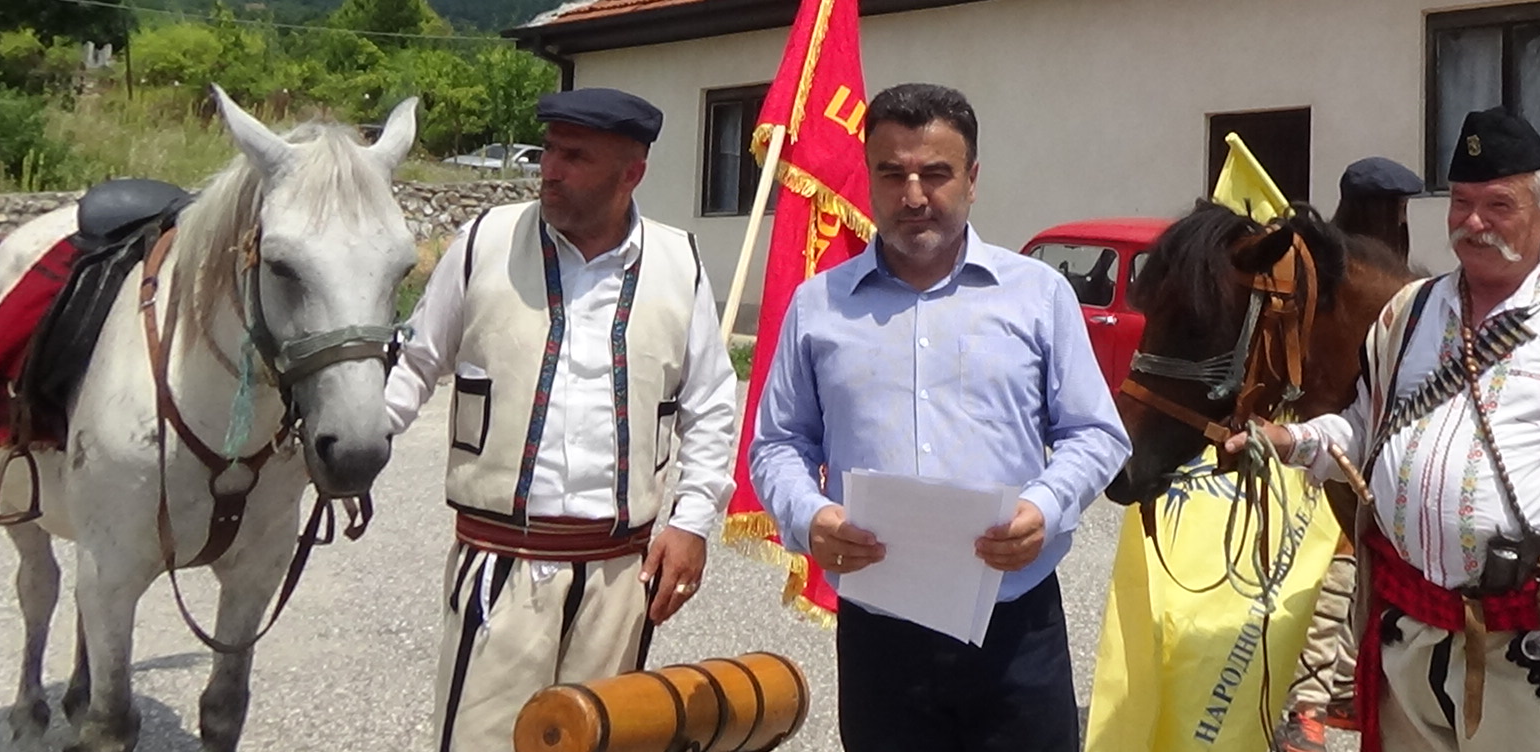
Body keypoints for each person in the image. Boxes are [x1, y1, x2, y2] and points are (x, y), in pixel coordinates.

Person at [1246, 107, 1540, 752]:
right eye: (1462, 203)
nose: (1473, 223)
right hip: (1410, 635)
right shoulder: (1406, 314)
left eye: (1499, 205)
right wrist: (1291, 441)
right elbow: (1366, 432)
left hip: (1539, 649)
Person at [748, 82, 1131, 752]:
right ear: (869, 179)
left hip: (1014, 628)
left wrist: (1045, 506)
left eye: (935, 173)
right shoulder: (819, 306)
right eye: (892, 174)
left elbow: (1095, 432)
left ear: (972, 179)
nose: (913, 195)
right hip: (881, 637)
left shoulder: (1038, 296)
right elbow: (778, 442)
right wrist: (810, 517)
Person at [385, 88, 739, 752]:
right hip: (500, 565)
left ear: (631, 173)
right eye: (549, 150)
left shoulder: (678, 263)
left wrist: (692, 522)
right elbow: (415, 363)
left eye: (575, 157)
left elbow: (711, 403)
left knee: (602, 740)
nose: (549, 169)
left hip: (619, 575)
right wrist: (353, 444)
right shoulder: (484, 242)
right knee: (483, 743)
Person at [1276, 155, 1429, 752]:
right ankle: (1310, 705)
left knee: (1345, 577)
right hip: (1340, 444)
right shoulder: (1358, 281)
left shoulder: (1383, 282)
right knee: (1334, 573)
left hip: (1345, 446)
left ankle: (1336, 689)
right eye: (1397, 209)